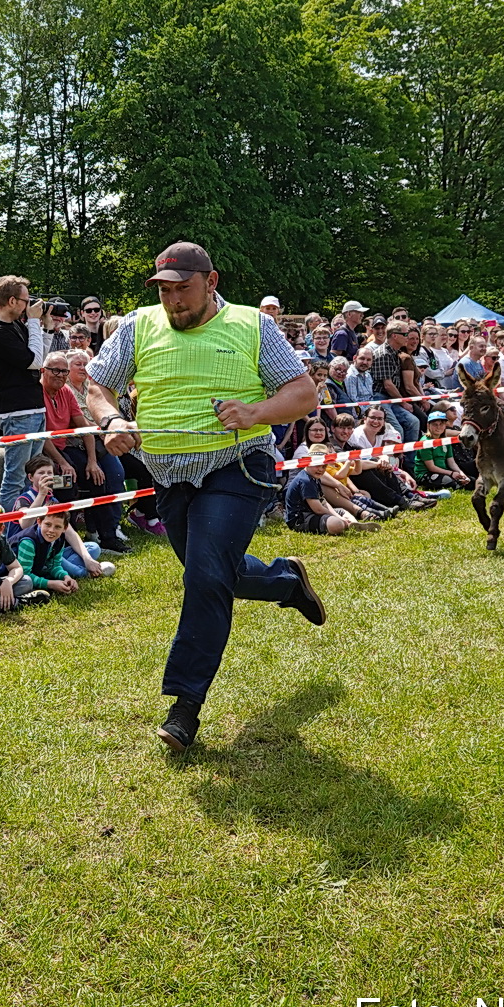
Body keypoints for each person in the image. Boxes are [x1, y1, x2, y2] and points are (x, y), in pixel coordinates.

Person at [85, 241, 324, 753]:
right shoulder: (136, 326)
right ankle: (285, 581)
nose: (173, 301)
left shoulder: (251, 326)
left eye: (183, 289)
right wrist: (111, 420)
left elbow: (305, 393)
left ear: (211, 282)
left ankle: (184, 707)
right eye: (165, 291)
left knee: (206, 574)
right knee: (216, 572)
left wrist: (256, 412)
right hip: (168, 475)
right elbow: (97, 386)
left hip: (237, 465)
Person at [40, 351, 128, 553]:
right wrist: (62, 462)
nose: (60, 375)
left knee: (99, 477)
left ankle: (106, 536)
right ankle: (59, 540)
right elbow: (42, 438)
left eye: (64, 371)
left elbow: (85, 429)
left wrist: (93, 461)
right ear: (43, 371)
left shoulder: (66, 392)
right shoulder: (36, 393)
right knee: (66, 484)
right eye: (55, 370)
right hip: (48, 453)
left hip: (67, 450)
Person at [0, 277, 48, 508]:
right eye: (25, 300)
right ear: (11, 301)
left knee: (34, 477)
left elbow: (41, 356)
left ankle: (28, 529)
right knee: (15, 479)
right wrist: (35, 323)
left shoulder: (17, 325)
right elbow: (35, 361)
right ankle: (9, 532)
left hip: (35, 406)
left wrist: (43, 327)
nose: (29, 305)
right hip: (17, 412)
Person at [15, 508, 83, 598]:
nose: (51, 530)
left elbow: (54, 565)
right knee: (27, 582)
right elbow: (24, 574)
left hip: (39, 567)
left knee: (93, 548)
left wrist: (65, 577)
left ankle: (74, 571)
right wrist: (50, 584)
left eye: (58, 527)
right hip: (12, 575)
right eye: (48, 524)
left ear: (65, 528)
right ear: (39, 522)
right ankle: (81, 571)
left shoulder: (59, 539)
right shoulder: (28, 542)